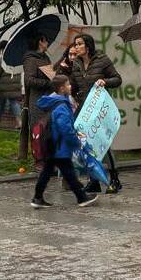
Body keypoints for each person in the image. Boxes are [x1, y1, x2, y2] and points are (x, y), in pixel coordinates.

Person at [63, 33, 124, 193]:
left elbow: (117, 79)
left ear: (88, 46)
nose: (76, 47)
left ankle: (115, 179)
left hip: (99, 109)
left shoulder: (102, 60)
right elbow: (75, 86)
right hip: (84, 109)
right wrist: (67, 89)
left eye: (79, 44)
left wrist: (105, 81)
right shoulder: (76, 63)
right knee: (86, 145)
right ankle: (93, 180)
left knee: (104, 142)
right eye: (75, 44)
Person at [30, 75, 99, 210]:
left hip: (52, 145)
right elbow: (65, 129)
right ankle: (81, 197)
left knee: (47, 172)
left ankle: (38, 197)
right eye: (68, 85)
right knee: (69, 173)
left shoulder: (55, 102)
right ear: (62, 88)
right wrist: (75, 142)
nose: (70, 86)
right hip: (59, 146)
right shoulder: (61, 106)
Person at [21, 34, 55, 172]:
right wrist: (48, 83)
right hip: (37, 100)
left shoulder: (46, 58)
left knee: (49, 130)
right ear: (41, 41)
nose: (48, 43)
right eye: (46, 40)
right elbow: (29, 81)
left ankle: (49, 160)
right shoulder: (30, 60)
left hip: (49, 97)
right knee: (38, 130)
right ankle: (39, 160)